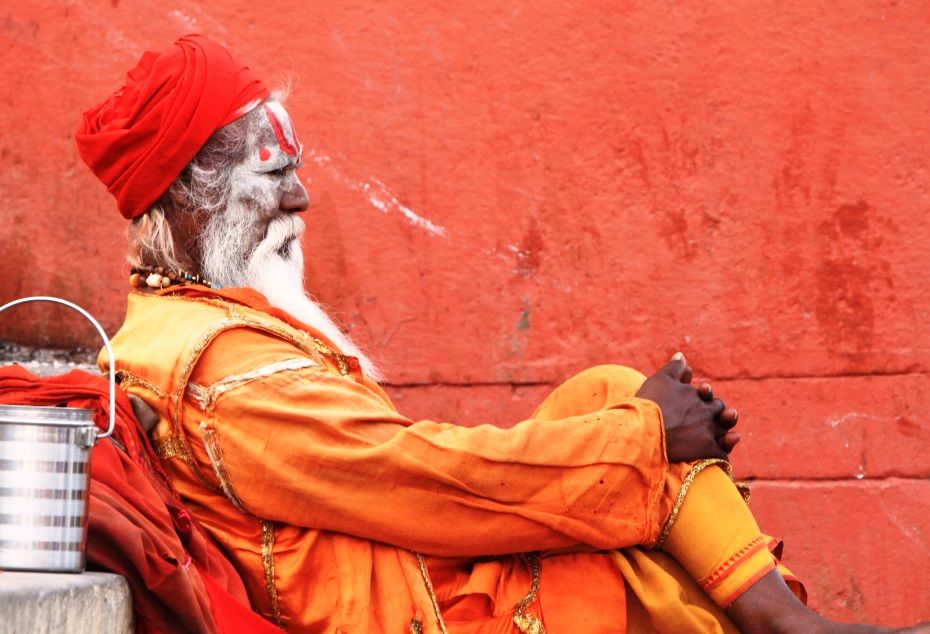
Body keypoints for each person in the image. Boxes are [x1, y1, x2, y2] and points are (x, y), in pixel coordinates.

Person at [74, 34, 928, 633]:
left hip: (402, 552)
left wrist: (625, 430)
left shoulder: (189, 323)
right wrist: (641, 438)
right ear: (185, 197)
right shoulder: (219, 371)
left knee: (604, 395)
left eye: (298, 173)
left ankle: (784, 622)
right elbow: (418, 480)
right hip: (414, 607)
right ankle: (789, 627)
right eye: (274, 178)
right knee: (628, 502)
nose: (300, 203)